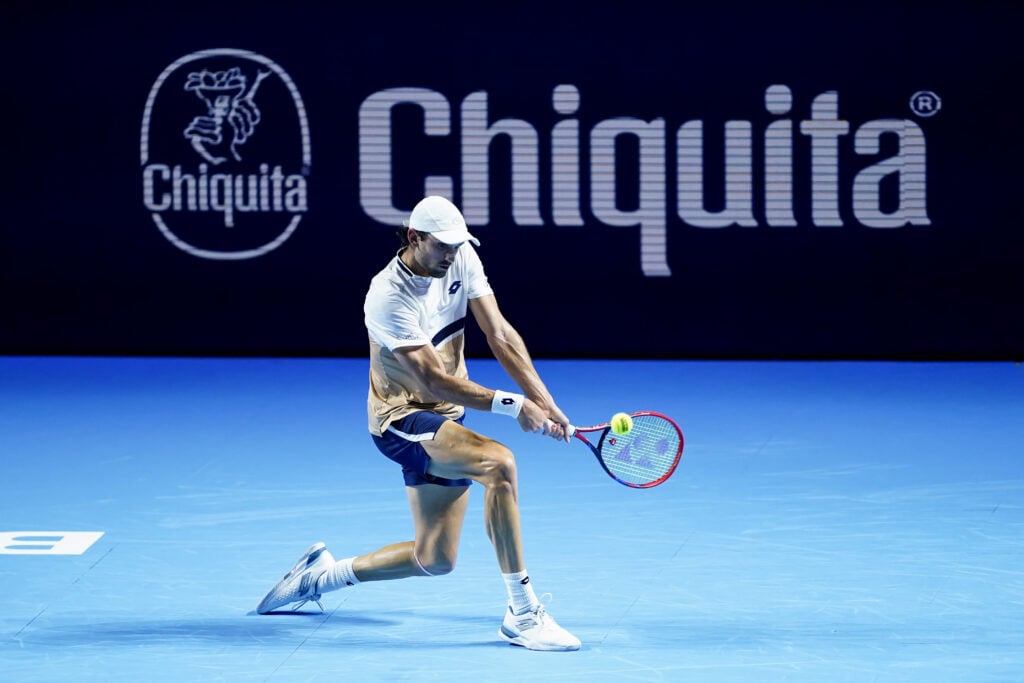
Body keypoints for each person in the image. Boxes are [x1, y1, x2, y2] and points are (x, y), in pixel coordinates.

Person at [256, 195, 581, 651]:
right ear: (414, 238)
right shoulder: (387, 295)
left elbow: (500, 333)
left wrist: (546, 402)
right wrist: (515, 405)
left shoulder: (462, 257)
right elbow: (434, 380)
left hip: (445, 419)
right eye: (441, 247)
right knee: (499, 465)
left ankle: (319, 577)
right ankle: (523, 614)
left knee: (435, 558)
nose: (450, 255)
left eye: (456, 246)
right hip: (401, 419)